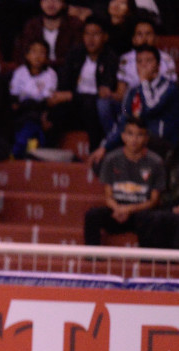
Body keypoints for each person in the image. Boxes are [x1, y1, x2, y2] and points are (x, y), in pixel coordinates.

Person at [89, 45, 179, 165]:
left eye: (149, 60)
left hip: (162, 143)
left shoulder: (169, 88)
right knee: (101, 161)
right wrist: (104, 147)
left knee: (137, 142)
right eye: (139, 61)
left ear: (158, 66)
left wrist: (144, 82)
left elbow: (151, 107)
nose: (143, 65)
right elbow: (124, 119)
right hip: (138, 142)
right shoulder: (132, 92)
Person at [84, 116, 165, 246]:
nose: (134, 139)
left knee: (152, 219)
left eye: (139, 135)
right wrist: (119, 209)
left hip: (140, 213)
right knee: (92, 215)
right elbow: (108, 196)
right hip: (117, 211)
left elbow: (153, 201)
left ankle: (147, 262)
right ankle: (92, 259)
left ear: (146, 138)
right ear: (123, 136)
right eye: (130, 134)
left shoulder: (156, 162)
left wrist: (129, 209)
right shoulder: (111, 159)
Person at [49, 15, 120, 149]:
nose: (90, 39)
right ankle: (49, 151)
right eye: (87, 34)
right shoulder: (75, 53)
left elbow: (103, 94)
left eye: (96, 34)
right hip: (75, 106)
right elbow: (64, 85)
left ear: (105, 37)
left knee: (90, 105)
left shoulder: (111, 58)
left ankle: (94, 152)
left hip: (94, 108)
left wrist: (71, 96)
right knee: (56, 109)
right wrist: (66, 96)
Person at [9, 39, 58, 157]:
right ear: (27, 55)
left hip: (40, 110)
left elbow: (48, 100)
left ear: (47, 57)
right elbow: (14, 98)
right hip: (22, 110)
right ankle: (28, 146)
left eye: (42, 53)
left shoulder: (51, 74)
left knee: (34, 116)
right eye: (34, 52)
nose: (38, 56)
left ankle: (19, 150)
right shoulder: (20, 72)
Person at [114, 17, 177, 103]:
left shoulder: (166, 59)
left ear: (156, 38)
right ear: (134, 40)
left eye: (148, 34)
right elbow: (121, 91)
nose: (144, 38)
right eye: (139, 34)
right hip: (131, 103)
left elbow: (171, 89)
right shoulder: (125, 59)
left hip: (160, 103)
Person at [13, 0, 83, 67]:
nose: (51, 3)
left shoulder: (74, 24)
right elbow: (23, 54)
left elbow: (76, 56)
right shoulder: (32, 25)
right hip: (36, 72)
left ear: (64, 3)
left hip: (66, 72)